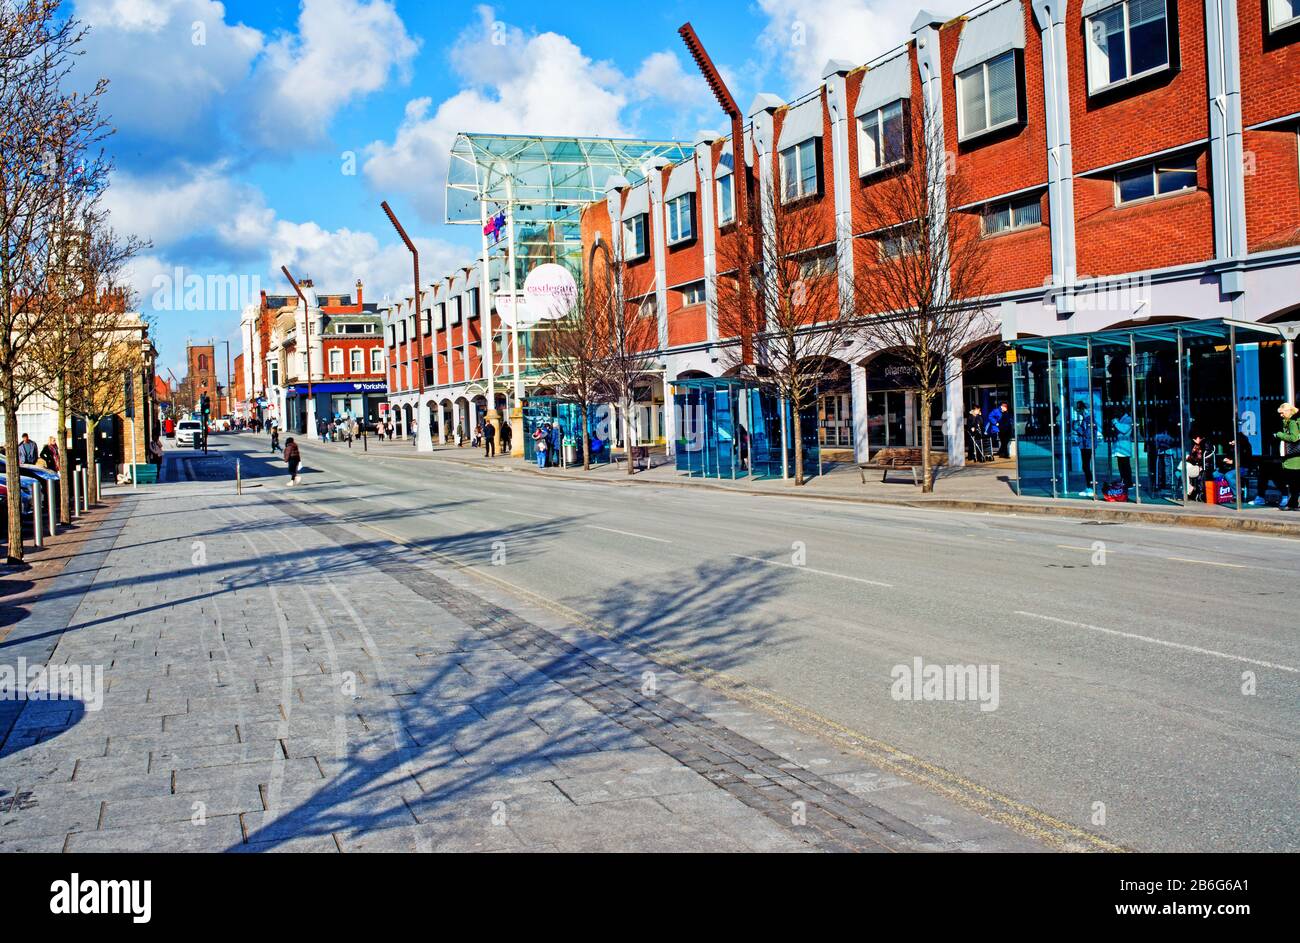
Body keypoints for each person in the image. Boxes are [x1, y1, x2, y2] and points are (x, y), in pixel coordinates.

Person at [1275, 402, 1300, 511]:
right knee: (1294, 483)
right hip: (1293, 458)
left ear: (1288, 411)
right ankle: (1293, 504)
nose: (1281, 415)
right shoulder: (1290, 421)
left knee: (1294, 482)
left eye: (1282, 413)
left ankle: (1293, 504)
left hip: (1294, 458)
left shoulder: (1292, 422)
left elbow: (1294, 438)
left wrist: (1279, 435)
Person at [1072, 401, 1095, 496]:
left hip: (1088, 445)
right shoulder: (1086, 418)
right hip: (1084, 445)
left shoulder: (1088, 418)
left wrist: (1077, 428)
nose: (1077, 413)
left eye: (1078, 410)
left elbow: (1088, 433)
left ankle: (1090, 487)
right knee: (1085, 466)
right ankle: (1089, 486)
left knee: (1086, 466)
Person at [1111, 410, 1134, 488]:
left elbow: (1124, 429)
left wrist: (1116, 423)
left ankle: (1129, 482)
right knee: (1121, 465)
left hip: (1124, 447)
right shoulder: (1120, 420)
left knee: (1125, 465)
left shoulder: (1128, 419)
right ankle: (1123, 480)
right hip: (1119, 447)